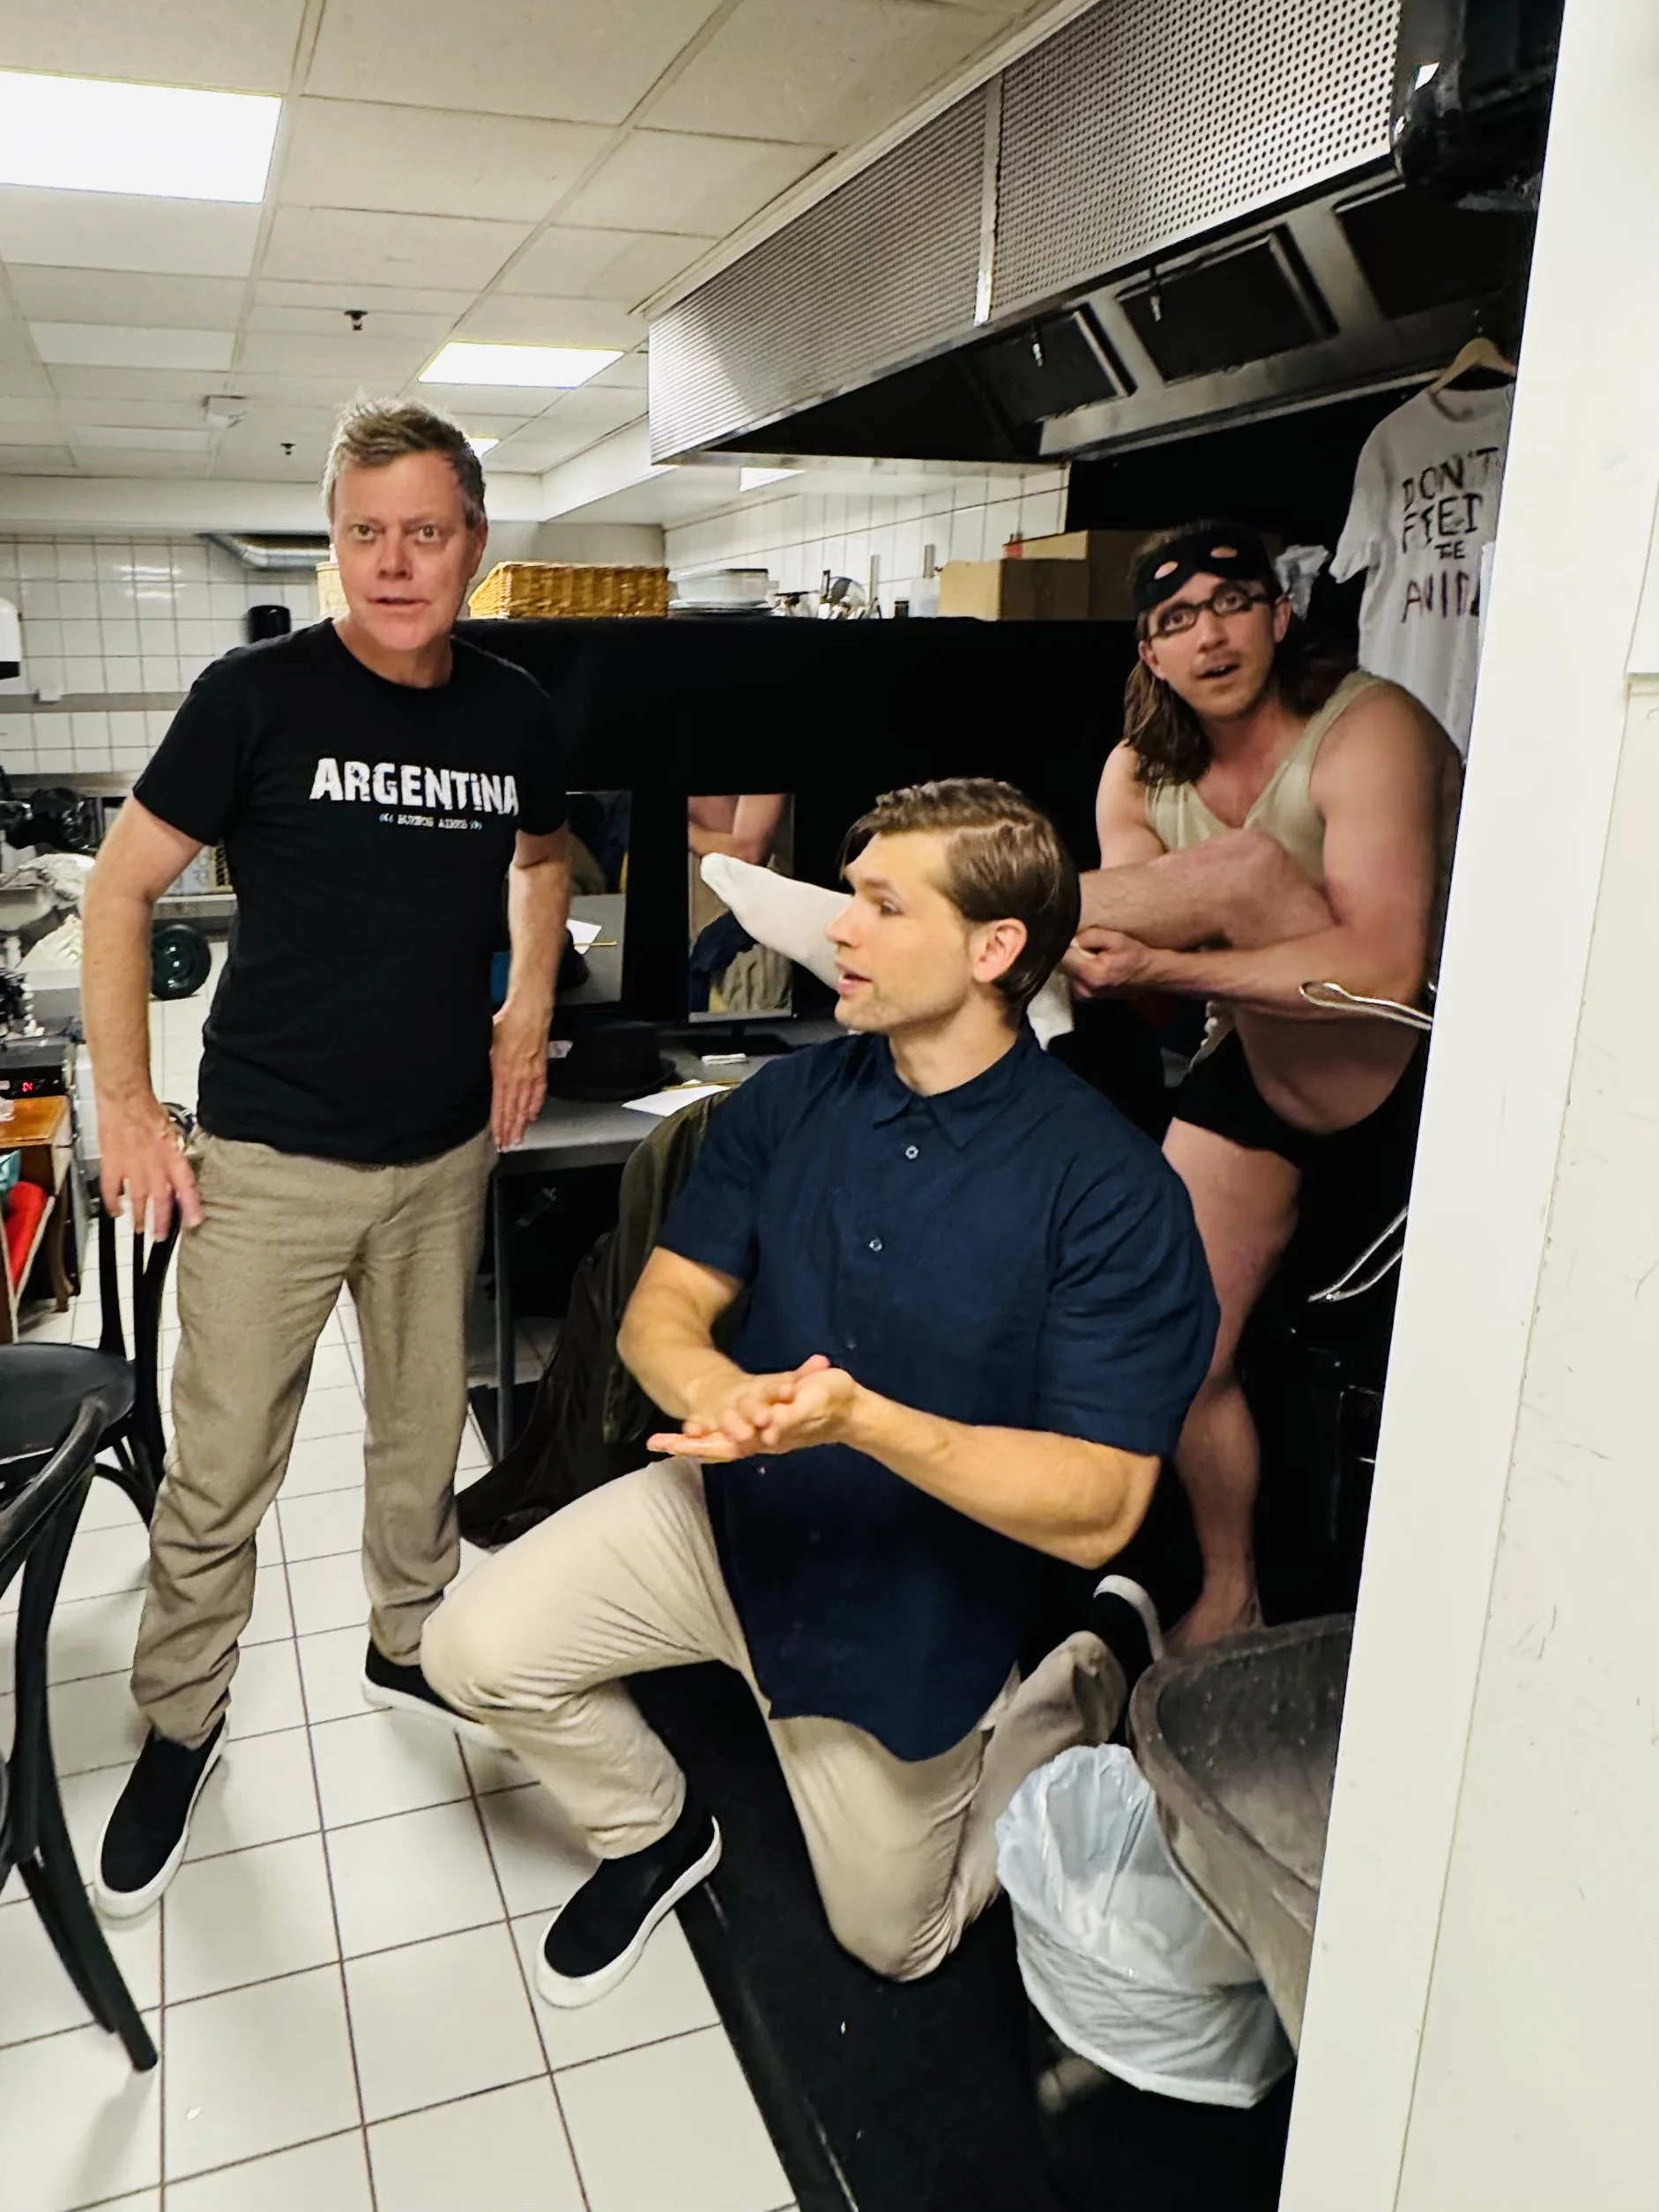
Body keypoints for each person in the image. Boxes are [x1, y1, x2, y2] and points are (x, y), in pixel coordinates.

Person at [423, 778, 1216, 2004]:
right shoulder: (788, 1102)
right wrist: (724, 1394)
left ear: (993, 949)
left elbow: (1100, 1503)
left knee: (897, 1939)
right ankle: (654, 1831)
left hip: (912, 1594)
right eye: (850, 896)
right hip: (730, 1520)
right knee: (470, 1648)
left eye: (884, 906)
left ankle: (1091, 1663)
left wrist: (856, 1419)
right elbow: (660, 1314)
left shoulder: (1109, 1191)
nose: (840, 927)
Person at [83, 399, 571, 1916]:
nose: (393, 561)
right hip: (270, 1158)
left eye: (424, 531)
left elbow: (543, 852)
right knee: (223, 1462)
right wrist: (128, 1103)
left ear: (473, 543)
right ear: (336, 543)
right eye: (366, 533)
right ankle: (181, 1719)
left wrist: (526, 1007)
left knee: (423, 1436)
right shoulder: (255, 697)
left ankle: (408, 1638)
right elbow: (118, 889)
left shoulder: (511, 710)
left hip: (440, 1155)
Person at [1066, 521, 1462, 1647]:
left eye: (1232, 603)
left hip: (1412, 1053)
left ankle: (969, 910)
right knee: (1173, 1335)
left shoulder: (1366, 729)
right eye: (1175, 619)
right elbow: (1146, 982)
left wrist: (1165, 964)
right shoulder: (1137, 773)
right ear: (1150, 654)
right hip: (1256, 1047)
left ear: (1280, 616)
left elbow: (1383, 970)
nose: (1210, 635)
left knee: (1239, 868)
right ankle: (1230, 1586)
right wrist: (1120, 968)